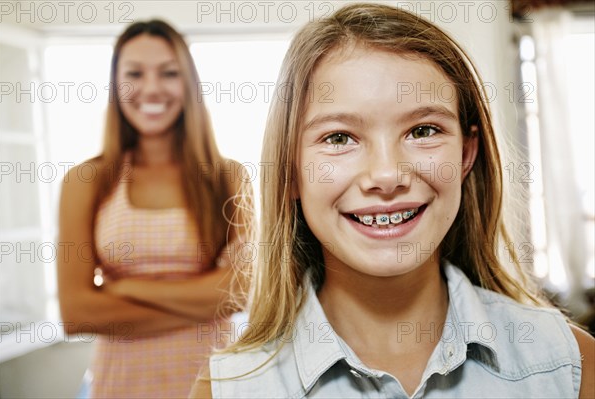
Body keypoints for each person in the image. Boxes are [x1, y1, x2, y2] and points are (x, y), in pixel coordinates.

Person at [190, 3, 595, 398]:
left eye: (422, 131)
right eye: (339, 138)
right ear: (290, 171)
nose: (387, 175)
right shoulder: (228, 388)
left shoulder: (569, 365)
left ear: (466, 154)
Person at [57, 20, 251, 398]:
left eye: (169, 73)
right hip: (120, 385)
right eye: (134, 73)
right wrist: (204, 302)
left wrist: (128, 288)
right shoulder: (87, 180)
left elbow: (241, 290)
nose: (151, 88)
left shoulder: (229, 176)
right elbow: (77, 312)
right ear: (116, 85)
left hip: (213, 385)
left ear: (189, 83)